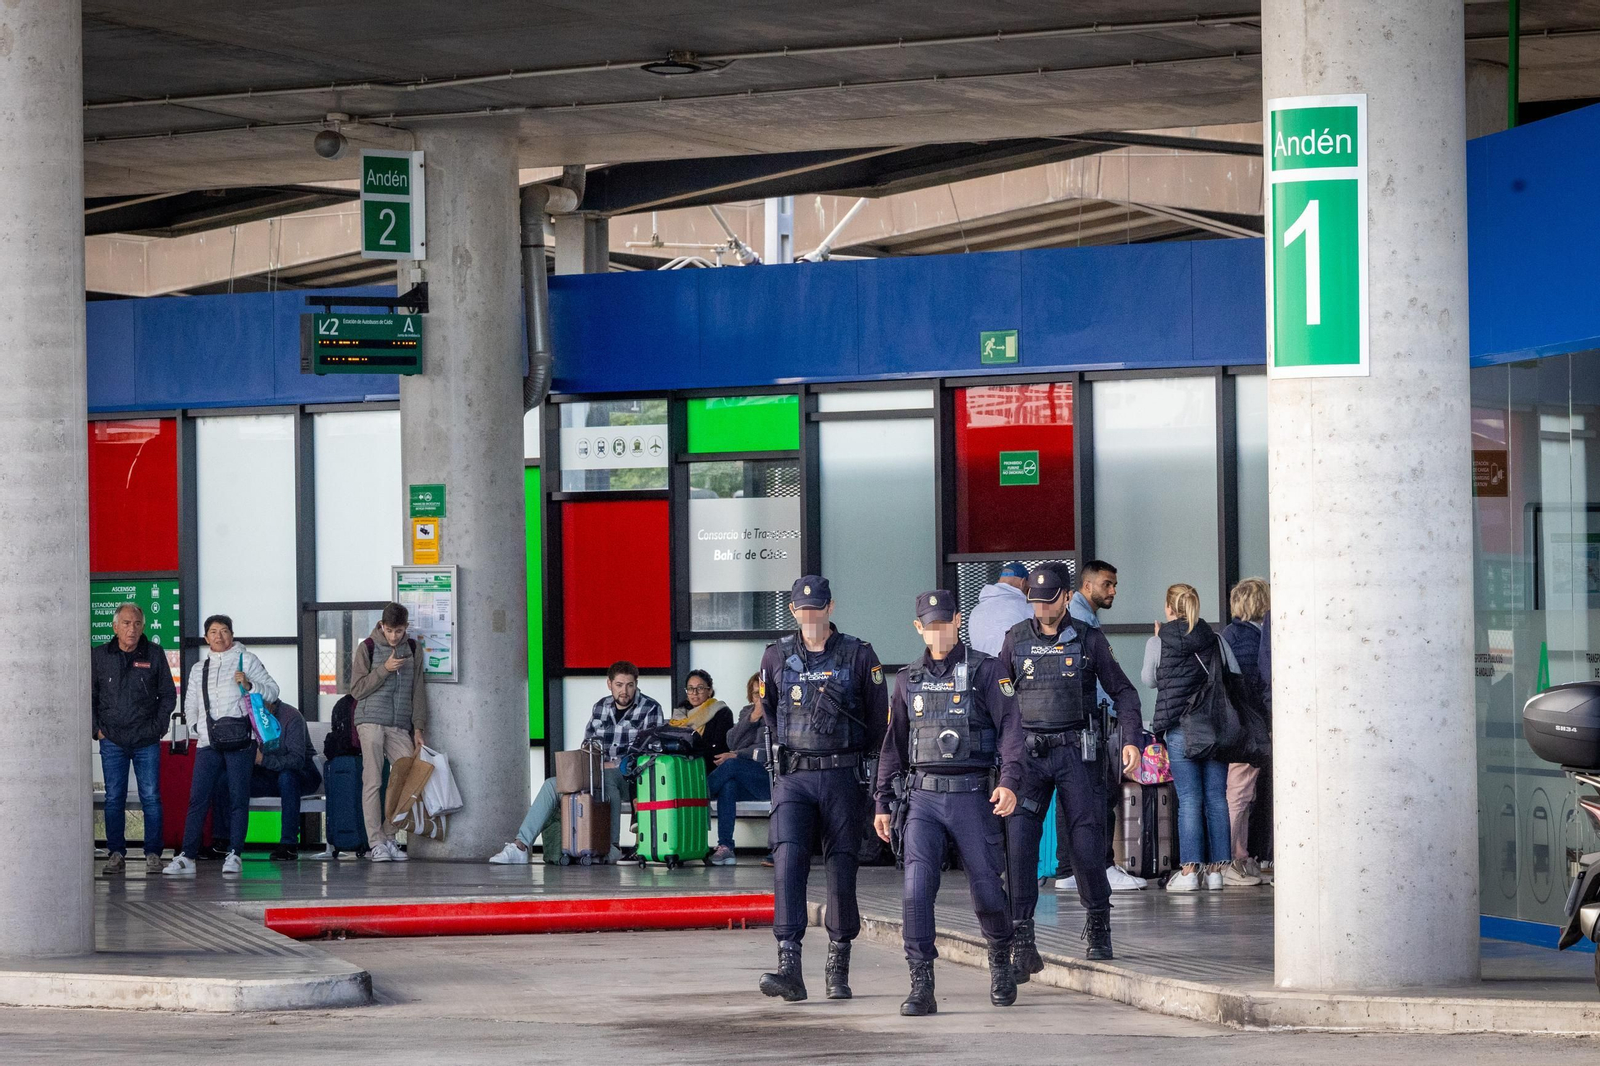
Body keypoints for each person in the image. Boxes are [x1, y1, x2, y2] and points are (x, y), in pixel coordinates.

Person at [874, 590, 1025, 1016]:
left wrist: (1010, 781)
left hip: (973, 795)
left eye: (945, 623)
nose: (938, 632)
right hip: (922, 798)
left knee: (988, 891)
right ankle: (921, 984)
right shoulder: (907, 679)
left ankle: (1000, 958)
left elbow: (1012, 729)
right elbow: (893, 745)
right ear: (918, 627)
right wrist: (882, 800)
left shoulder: (986, 670)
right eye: (930, 625)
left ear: (957, 621)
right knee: (916, 891)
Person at [1001, 564, 1143, 977]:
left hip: (1076, 754)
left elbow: (1124, 692)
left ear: (1066, 597)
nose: (1042, 610)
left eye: (1049, 601)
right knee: (1019, 847)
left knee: (1085, 846)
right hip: (1029, 757)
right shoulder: (1015, 640)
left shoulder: (1088, 639)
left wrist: (1131, 739)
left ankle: (1098, 924)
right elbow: (998, 695)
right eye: (1035, 602)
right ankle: (1022, 940)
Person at [757, 575, 887, 1004]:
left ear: (831, 608)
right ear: (793, 611)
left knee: (841, 869)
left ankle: (838, 965)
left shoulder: (858, 654)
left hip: (841, 775)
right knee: (787, 861)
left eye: (817, 608)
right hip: (794, 776)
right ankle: (789, 967)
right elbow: (771, 712)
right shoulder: (776, 655)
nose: (810, 616)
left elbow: (878, 720)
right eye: (803, 609)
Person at [1142, 583, 1262, 892]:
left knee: (1189, 800)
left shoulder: (1158, 641)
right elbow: (1234, 673)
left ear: (1169, 608)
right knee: (1216, 798)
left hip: (1179, 729)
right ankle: (1216, 873)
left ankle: (1189, 872)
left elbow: (1148, 679)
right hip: (1215, 730)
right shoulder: (1216, 639)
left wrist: (1159, 643)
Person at [487, 661, 664, 864]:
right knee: (552, 784)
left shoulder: (650, 708)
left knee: (608, 780)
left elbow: (649, 751)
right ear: (609, 684)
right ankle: (520, 846)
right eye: (619, 685)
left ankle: (612, 847)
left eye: (630, 685)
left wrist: (613, 764)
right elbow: (588, 744)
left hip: (631, 778)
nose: (625, 691)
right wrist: (590, 763)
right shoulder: (600, 707)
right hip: (596, 771)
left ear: (636, 684)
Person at [165, 614, 278, 876]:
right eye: (214, 632)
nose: (219, 636)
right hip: (208, 741)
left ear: (232, 635)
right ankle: (187, 856)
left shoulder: (247, 660)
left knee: (238, 798)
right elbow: (190, 703)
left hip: (242, 740)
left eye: (224, 630)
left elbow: (273, 691)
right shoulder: (199, 668)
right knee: (198, 799)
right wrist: (197, 728)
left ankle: (235, 854)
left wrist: (250, 685)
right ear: (206, 638)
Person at [1059, 559, 1147, 893]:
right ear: (1087, 585)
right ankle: (1100, 867)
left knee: (1074, 796)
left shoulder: (1084, 617)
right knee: (1099, 795)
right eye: (1107, 584)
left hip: (1081, 722)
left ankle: (1070, 869)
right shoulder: (1081, 621)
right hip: (1089, 723)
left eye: (1115, 585)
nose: (1113, 591)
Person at [92, 603, 177, 874]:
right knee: (113, 798)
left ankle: (153, 854)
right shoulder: (99, 655)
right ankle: (116, 853)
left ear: (143, 627)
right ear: (115, 627)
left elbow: (168, 695)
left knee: (150, 797)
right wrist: (97, 730)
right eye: (127, 623)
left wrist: (158, 728)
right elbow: (89, 696)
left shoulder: (154, 653)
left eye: (137, 624)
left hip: (146, 739)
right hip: (112, 739)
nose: (132, 629)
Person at [348, 602, 428, 863]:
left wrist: (418, 727)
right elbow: (357, 689)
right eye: (389, 630)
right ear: (382, 625)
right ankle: (376, 843)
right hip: (370, 721)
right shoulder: (368, 647)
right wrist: (384, 669)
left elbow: (418, 689)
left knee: (411, 776)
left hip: (398, 725)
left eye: (399, 631)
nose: (393, 636)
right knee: (373, 781)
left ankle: (389, 834)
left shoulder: (413, 648)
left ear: (406, 628)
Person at [1222, 578, 1271, 882]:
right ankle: (1231, 859)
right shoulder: (1250, 640)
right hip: (1247, 728)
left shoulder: (1231, 634)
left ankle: (1240, 855)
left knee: (1242, 792)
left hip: (1236, 727)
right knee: (1240, 793)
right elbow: (1255, 686)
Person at [707, 673, 772, 866]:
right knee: (728, 785)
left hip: (769, 779)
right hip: (746, 779)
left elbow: (766, 750)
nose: (759, 699)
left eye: (763, 693)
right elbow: (731, 741)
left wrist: (738, 754)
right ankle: (725, 847)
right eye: (756, 694)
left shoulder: (779, 714)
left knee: (731, 765)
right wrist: (753, 718)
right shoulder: (747, 712)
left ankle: (698, 797)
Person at [249, 699, 322, 861]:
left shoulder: (291, 717)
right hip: (270, 775)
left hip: (303, 775)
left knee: (287, 777)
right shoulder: (251, 716)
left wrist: (263, 760)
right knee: (226, 780)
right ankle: (224, 842)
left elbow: (296, 761)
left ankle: (289, 844)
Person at [966, 561, 1032, 656]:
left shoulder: (976, 610)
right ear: (1023, 582)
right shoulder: (1026, 606)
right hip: (1013, 664)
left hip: (983, 664)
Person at [670, 669, 734, 767]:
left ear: (709, 691)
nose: (694, 693)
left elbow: (718, 749)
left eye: (700, 688)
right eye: (690, 688)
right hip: (680, 765)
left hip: (709, 765)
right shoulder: (679, 714)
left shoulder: (721, 712)